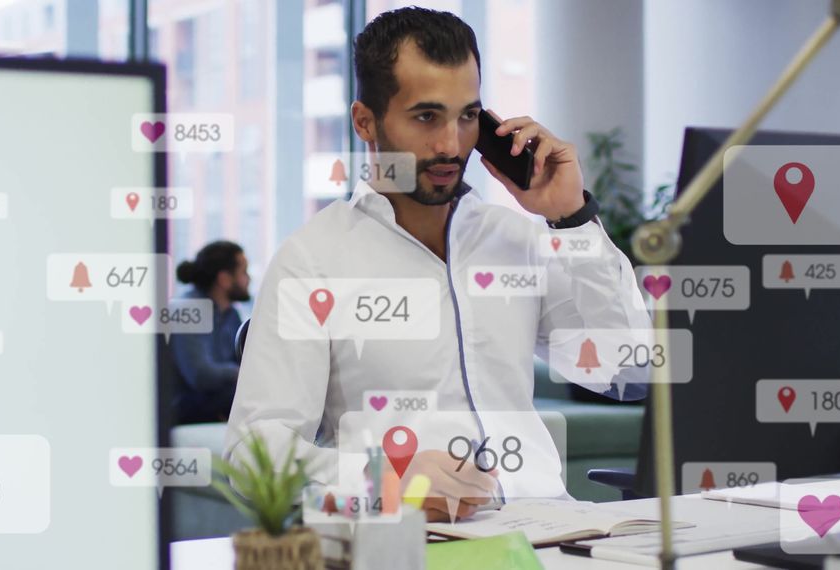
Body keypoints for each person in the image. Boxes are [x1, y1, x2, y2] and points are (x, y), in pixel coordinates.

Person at [225, 7, 650, 521]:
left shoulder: (516, 240)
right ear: (365, 121)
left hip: (555, 531)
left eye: (467, 116)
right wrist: (381, 477)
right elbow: (253, 453)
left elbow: (628, 370)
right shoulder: (312, 261)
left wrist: (572, 219)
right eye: (426, 117)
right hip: (416, 542)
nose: (452, 145)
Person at [171, 240, 251, 424]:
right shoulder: (188, 310)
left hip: (216, 399)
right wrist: (242, 373)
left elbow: (242, 359)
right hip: (187, 406)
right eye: (244, 272)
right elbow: (200, 375)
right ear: (224, 279)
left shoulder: (232, 314)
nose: (249, 279)